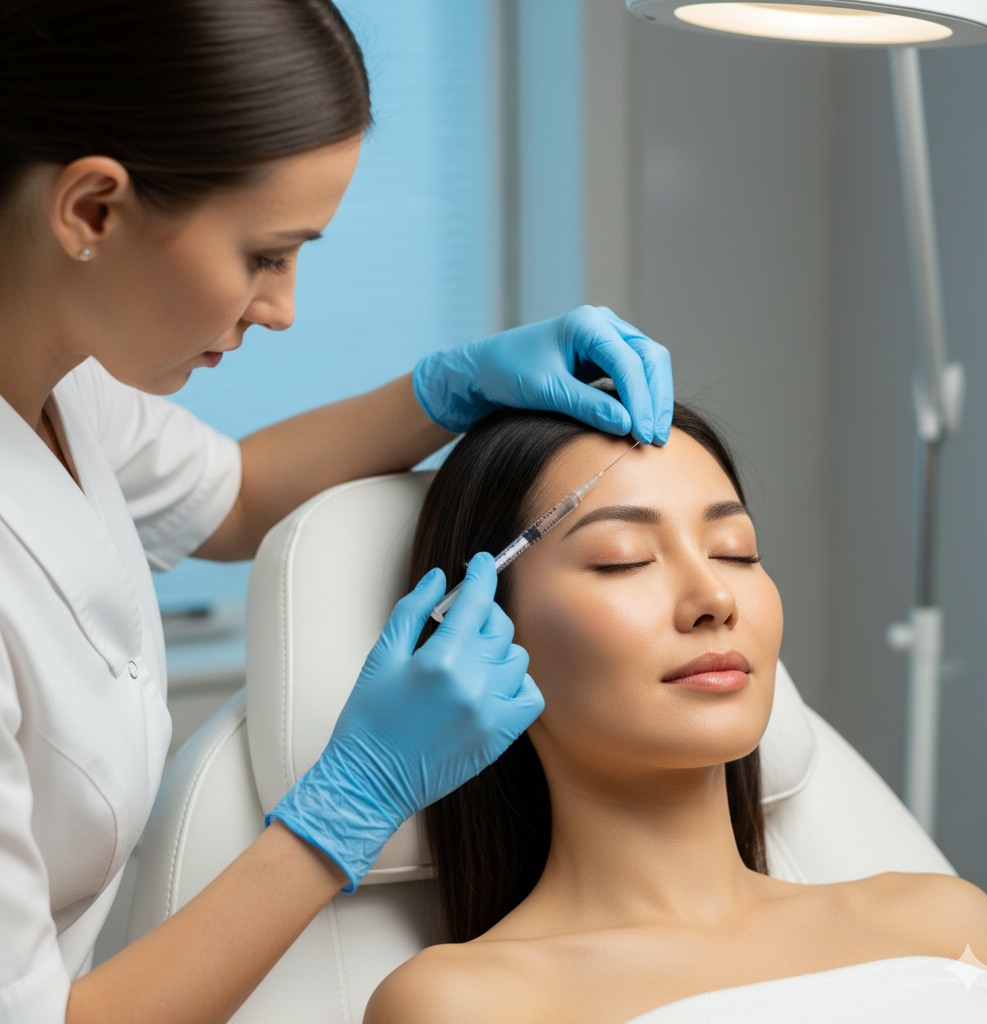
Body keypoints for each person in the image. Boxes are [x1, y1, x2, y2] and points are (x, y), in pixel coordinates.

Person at [0, 3, 675, 1022]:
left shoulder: (65, 381)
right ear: (93, 208)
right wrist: (348, 804)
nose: (283, 308)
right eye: (266, 254)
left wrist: (448, 389)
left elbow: (233, 498)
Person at [365, 395, 987, 1024]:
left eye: (735, 551)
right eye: (623, 560)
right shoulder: (464, 1003)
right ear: (481, 635)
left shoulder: (948, 925)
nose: (714, 595)